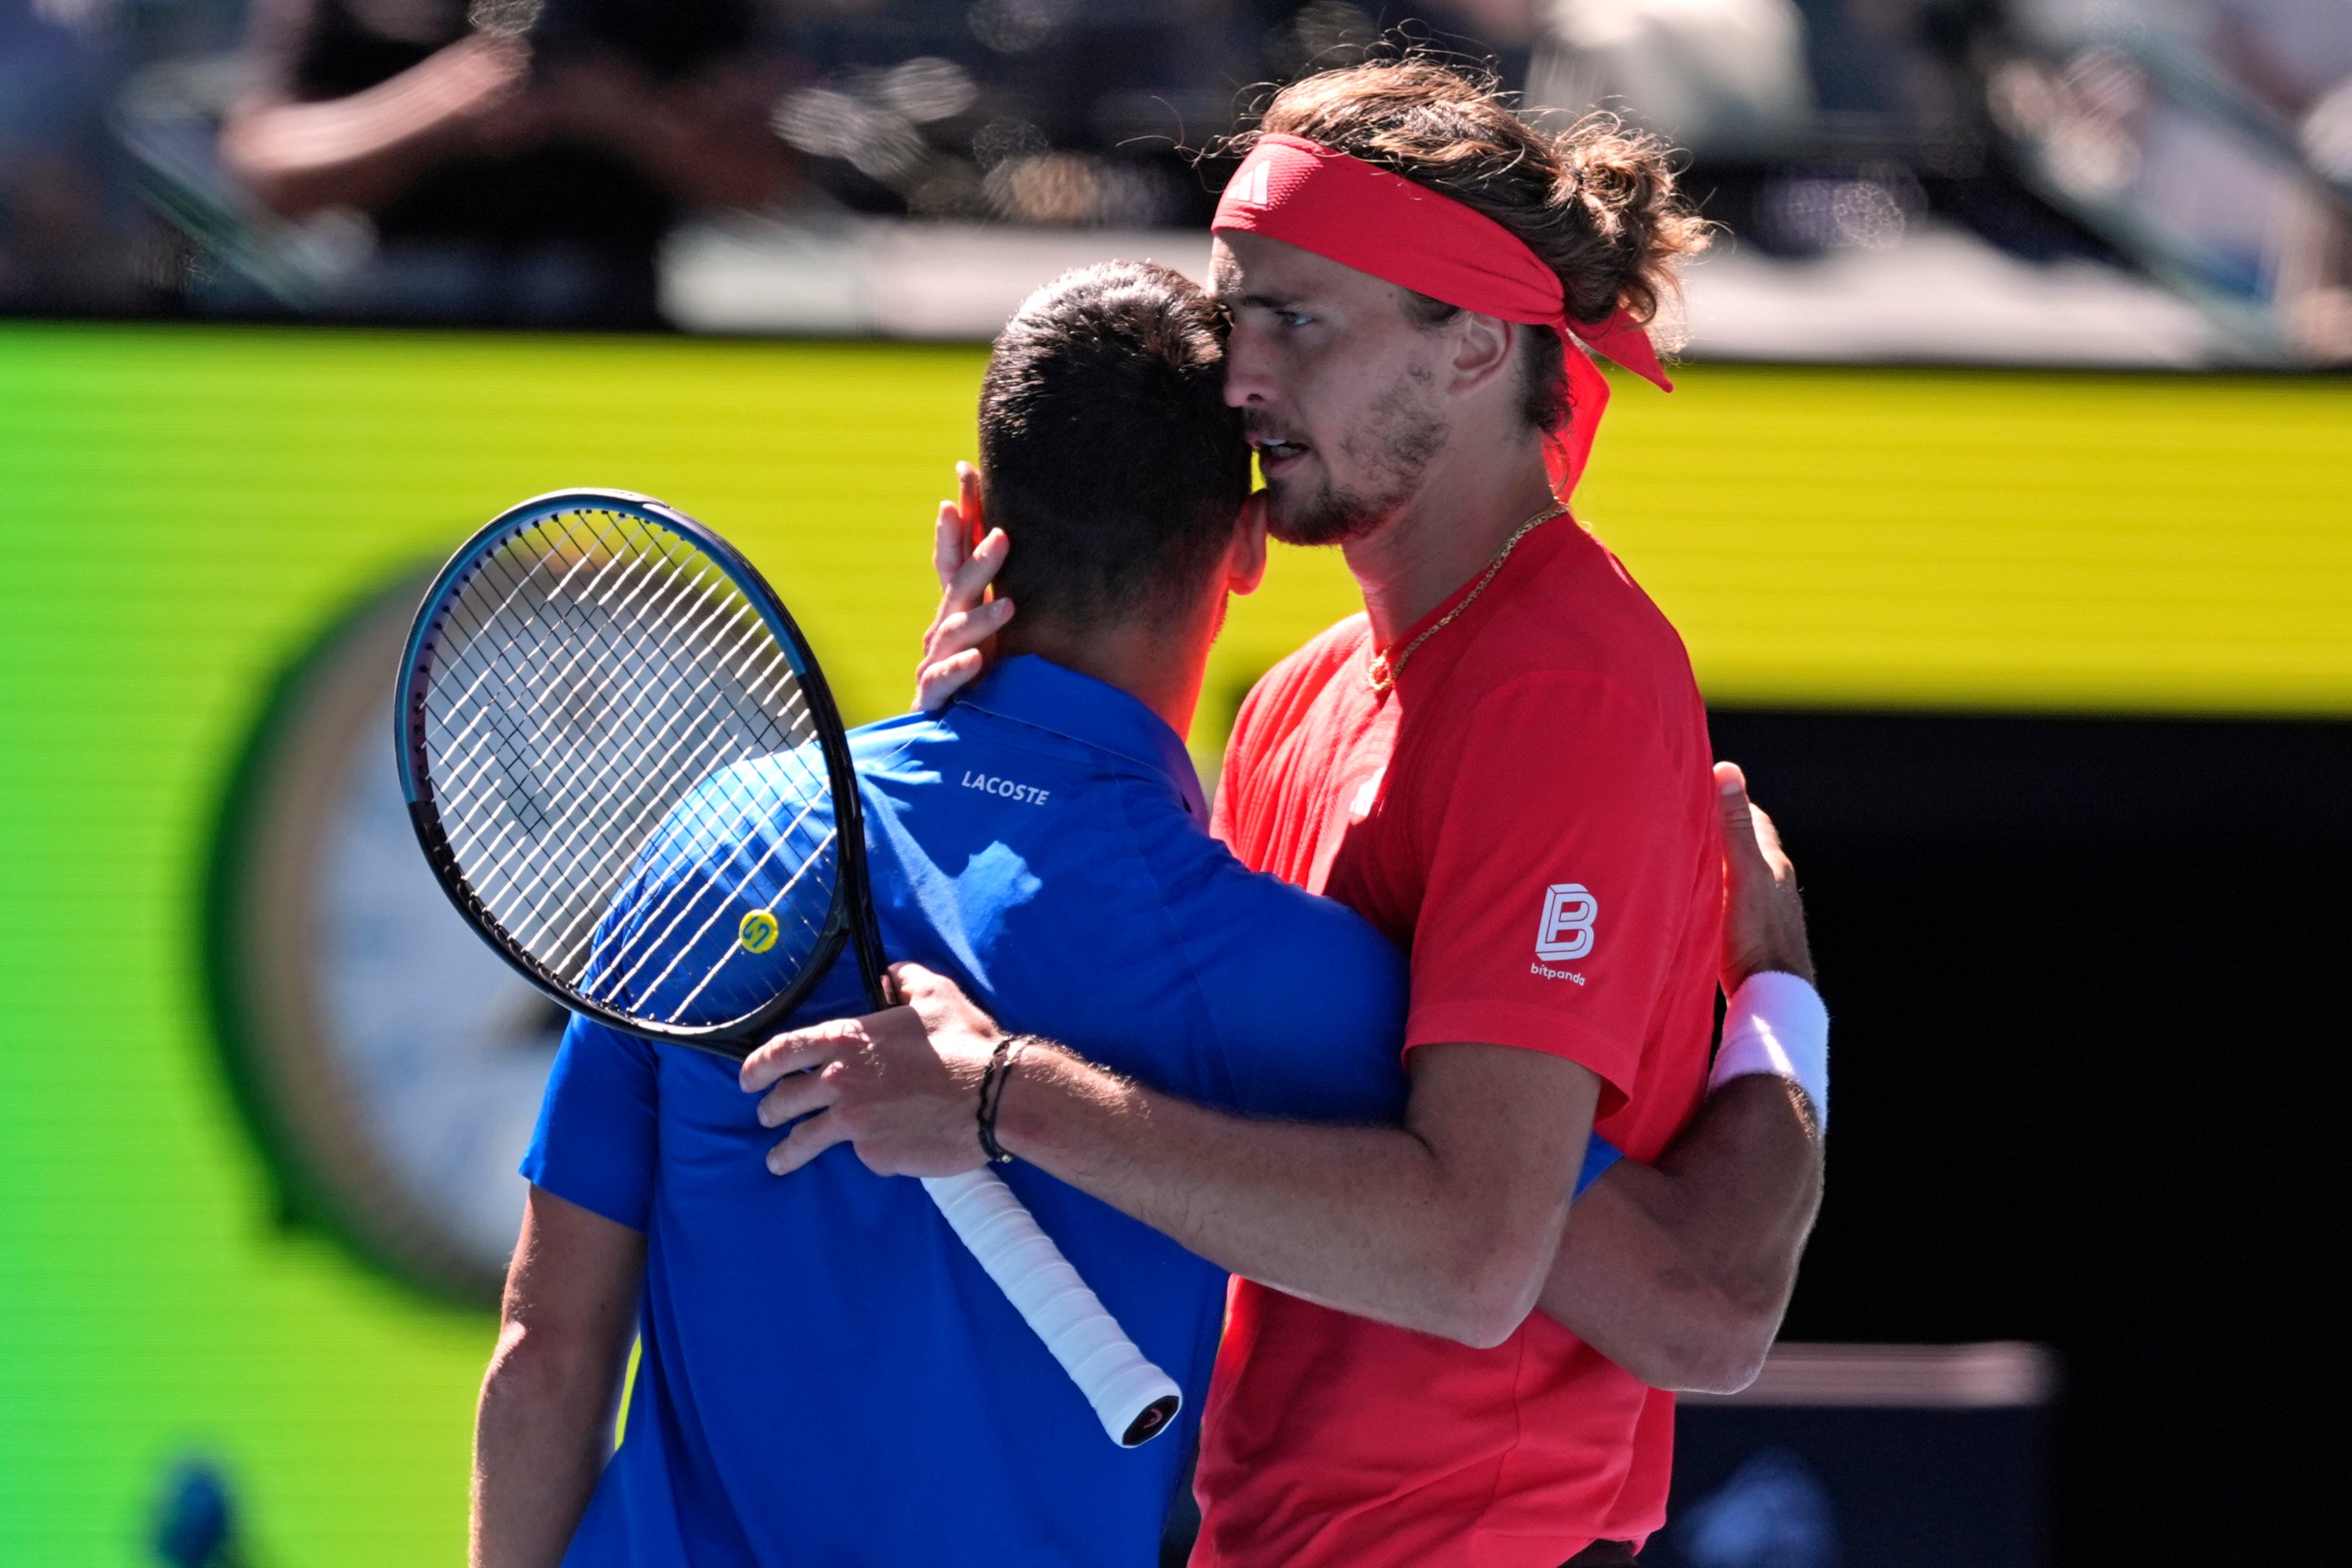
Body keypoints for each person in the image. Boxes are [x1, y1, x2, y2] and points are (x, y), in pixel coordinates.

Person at [475, 259, 1815, 1567]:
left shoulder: (719, 840)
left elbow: (547, 1354)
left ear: (975, 514)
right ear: (1241, 550)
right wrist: (1774, 986)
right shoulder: (1289, 983)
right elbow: (1696, 1311)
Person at [219, 0, 790, 326]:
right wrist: (437, 107)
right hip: (401, 331)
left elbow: (767, 182)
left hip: (610, 337)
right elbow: (266, 172)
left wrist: (622, 116)